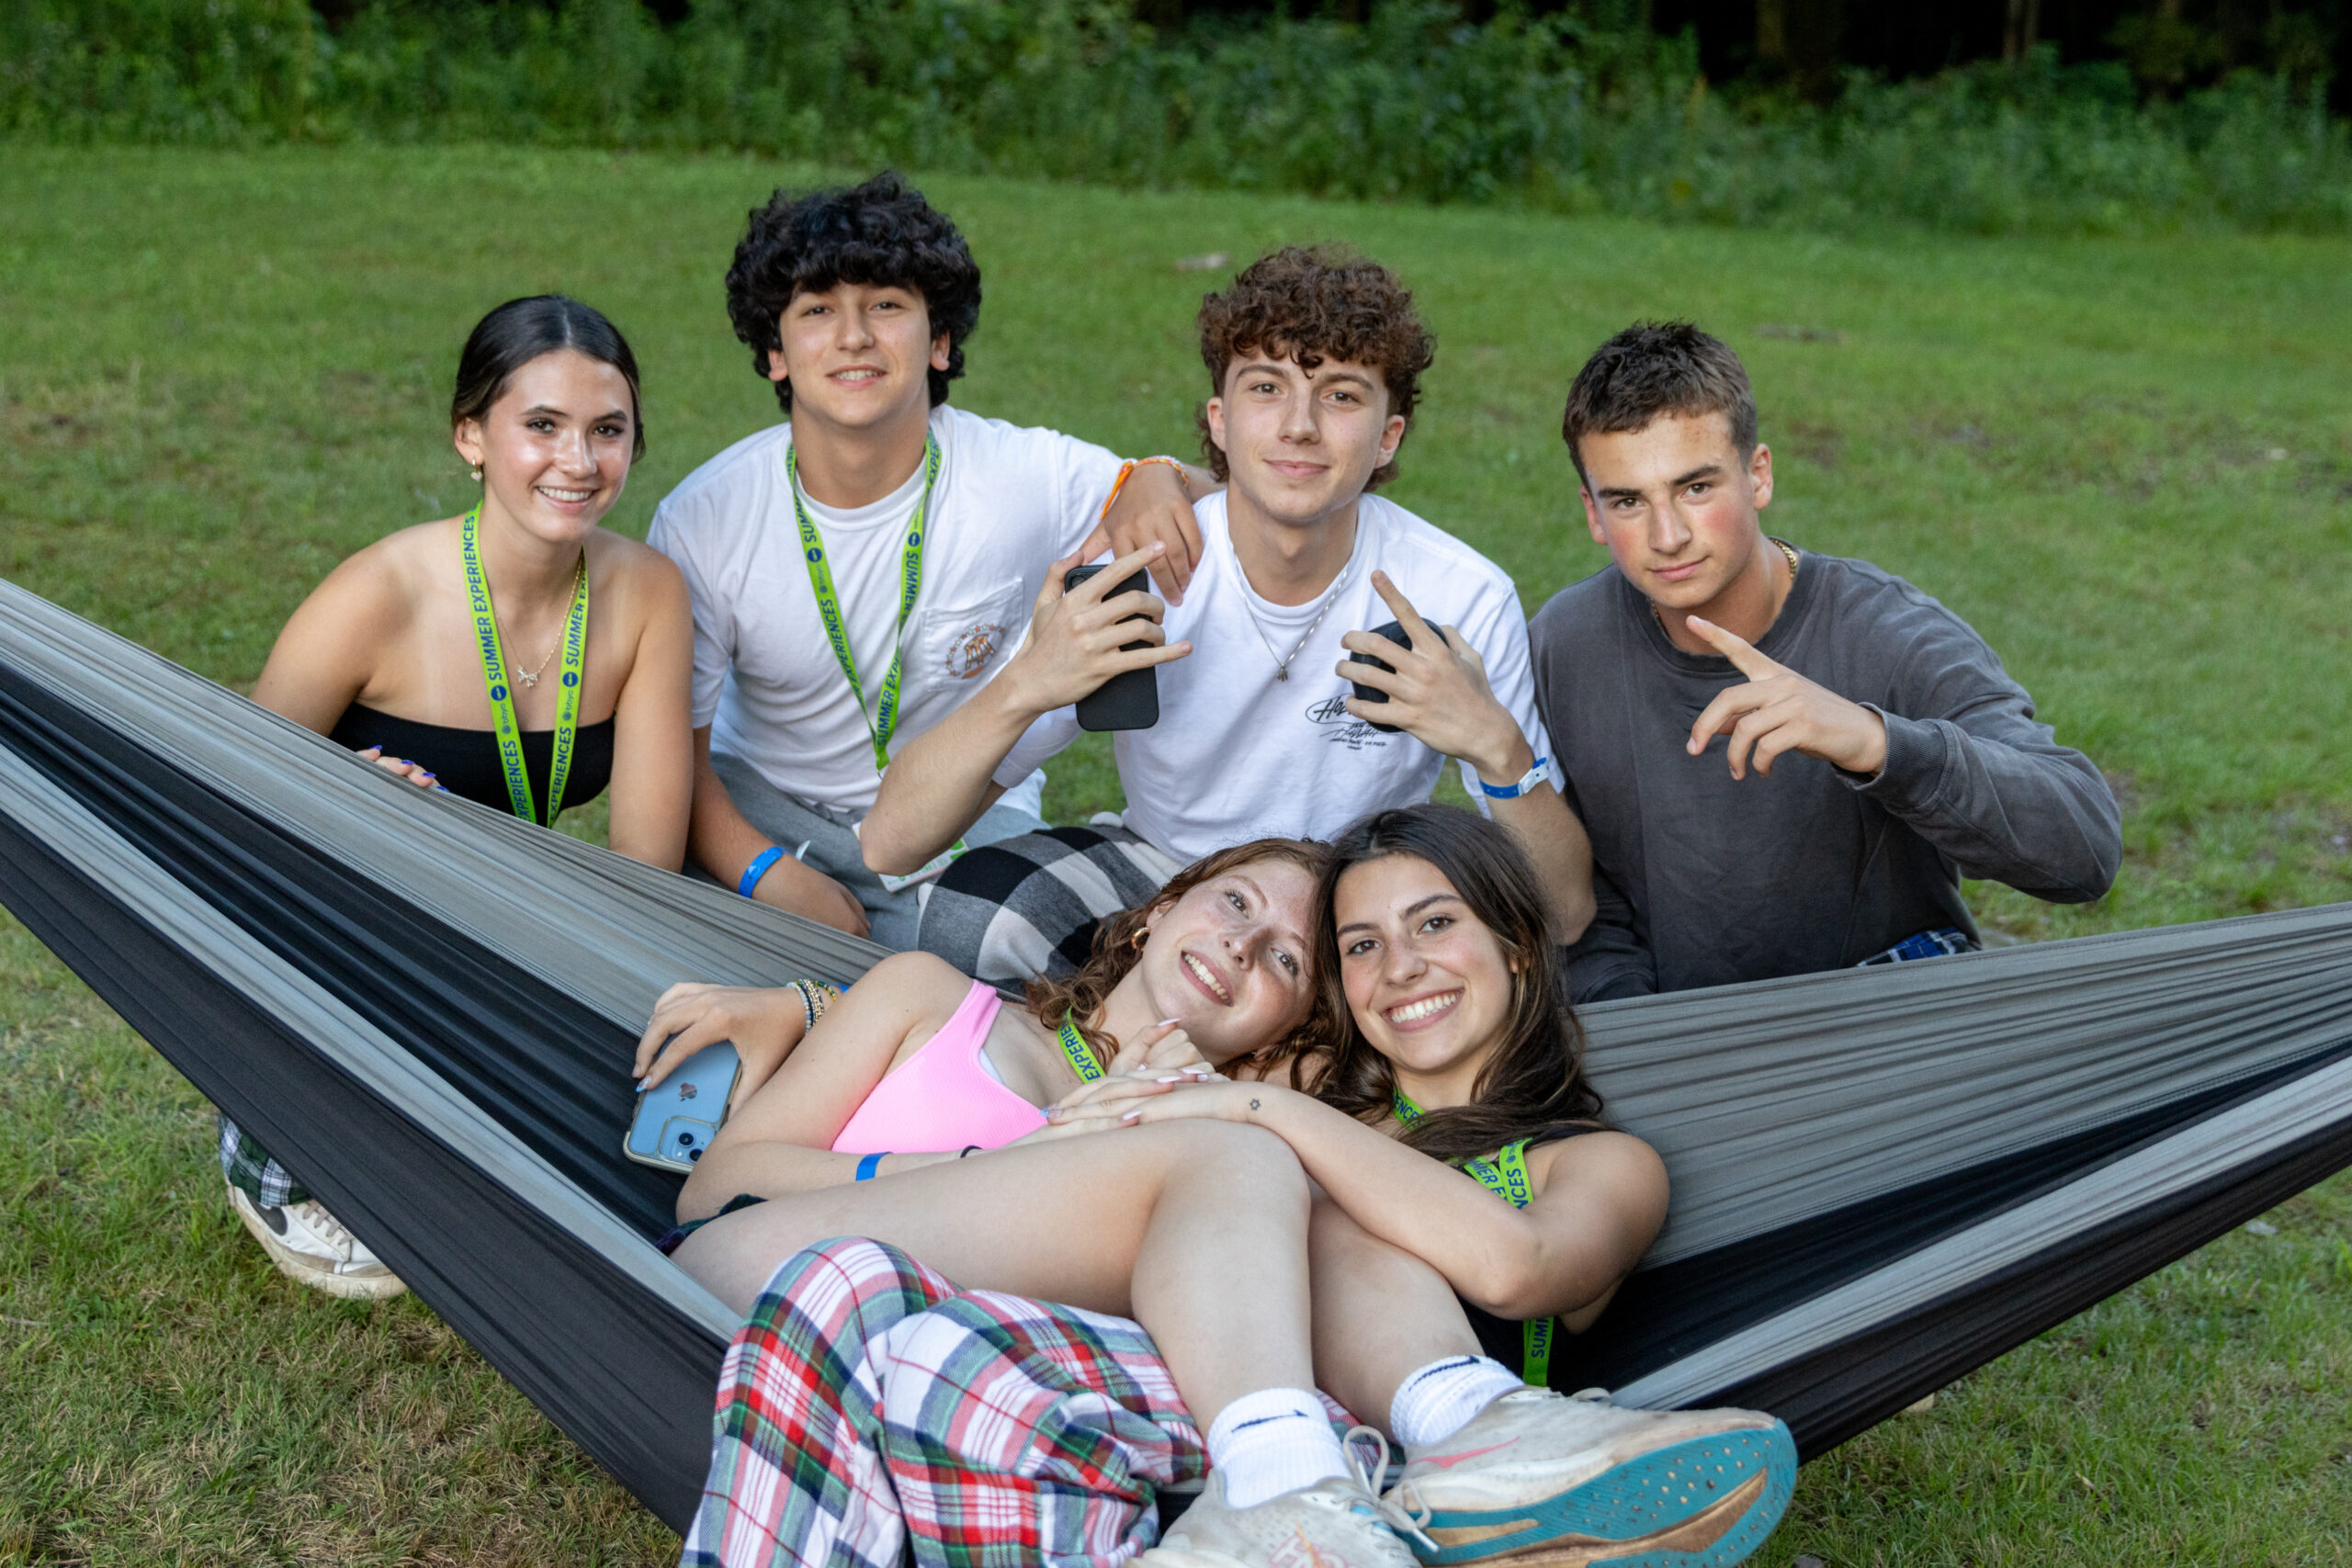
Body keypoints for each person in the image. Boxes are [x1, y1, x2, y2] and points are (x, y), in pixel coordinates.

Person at [642, 815, 1792, 1568]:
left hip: (1014, 1349)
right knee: (1246, 1173)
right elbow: (722, 1191)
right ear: (1156, 907)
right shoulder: (966, 1015)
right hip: (779, 1265)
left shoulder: (1292, 1111)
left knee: (964, 1356)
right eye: (1359, 945)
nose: (1397, 967)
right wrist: (806, 1009)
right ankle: (1369, 1460)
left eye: (1297, 956)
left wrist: (1240, 1103)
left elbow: (1506, 1258)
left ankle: (1400, 1462)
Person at [865, 246, 1593, 987]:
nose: (1300, 426)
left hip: (1342, 900)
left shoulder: (1459, 594)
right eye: (1267, 387)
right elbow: (891, 843)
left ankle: (1178, 1054)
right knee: (975, 911)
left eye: (1341, 396)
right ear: (1219, 419)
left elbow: (1565, 913)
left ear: (1389, 436)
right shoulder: (1139, 571)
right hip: (1161, 870)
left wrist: (1496, 747)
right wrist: (1027, 683)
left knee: (1478, 982)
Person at [223, 294, 695, 1299]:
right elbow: (229, 794)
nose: (578, 461)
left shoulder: (646, 592)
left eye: (607, 432)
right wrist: (343, 796)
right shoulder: (378, 594)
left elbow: (647, 865)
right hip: (341, 909)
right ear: (470, 436)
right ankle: (266, 1136)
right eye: (542, 427)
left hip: (506, 912)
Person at [645, 172, 1214, 948]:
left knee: (979, 969)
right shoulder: (704, 518)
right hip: (763, 803)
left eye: (886, 304)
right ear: (775, 352)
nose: (853, 337)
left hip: (967, 808)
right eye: (817, 311)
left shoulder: (1020, 475)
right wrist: (765, 873)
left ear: (938, 338)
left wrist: (1161, 474)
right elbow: (678, 750)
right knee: (699, 956)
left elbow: (1215, 497)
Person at [1530, 321, 2121, 1001]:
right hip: (1677, 1048)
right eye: (1629, 501)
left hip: (1886, 1032)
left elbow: (2086, 849)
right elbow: (1579, 907)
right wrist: (1650, 1041)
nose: (1668, 536)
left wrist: (1875, 742)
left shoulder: (1888, 631)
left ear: (1759, 475)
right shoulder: (1565, 644)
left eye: (1696, 488)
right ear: (1593, 514)